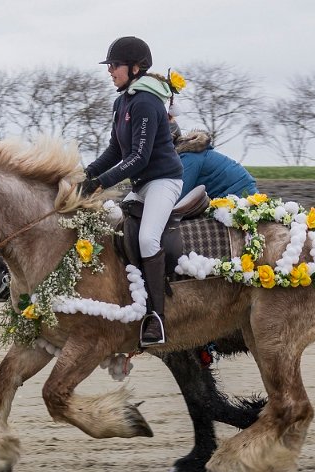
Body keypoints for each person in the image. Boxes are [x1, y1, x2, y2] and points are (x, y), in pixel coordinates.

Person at [78, 36, 184, 347]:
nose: (110, 70)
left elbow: (139, 158)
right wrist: (85, 175)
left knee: (147, 238)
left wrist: (99, 184)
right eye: (109, 65)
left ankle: (156, 317)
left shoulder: (147, 102)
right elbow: (115, 150)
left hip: (164, 180)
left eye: (114, 65)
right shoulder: (121, 102)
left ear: (135, 68)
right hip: (141, 184)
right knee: (114, 227)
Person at [173, 127, 258, 199]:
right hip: (246, 192)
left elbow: (179, 194)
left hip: (239, 196)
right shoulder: (198, 153)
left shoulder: (189, 157)